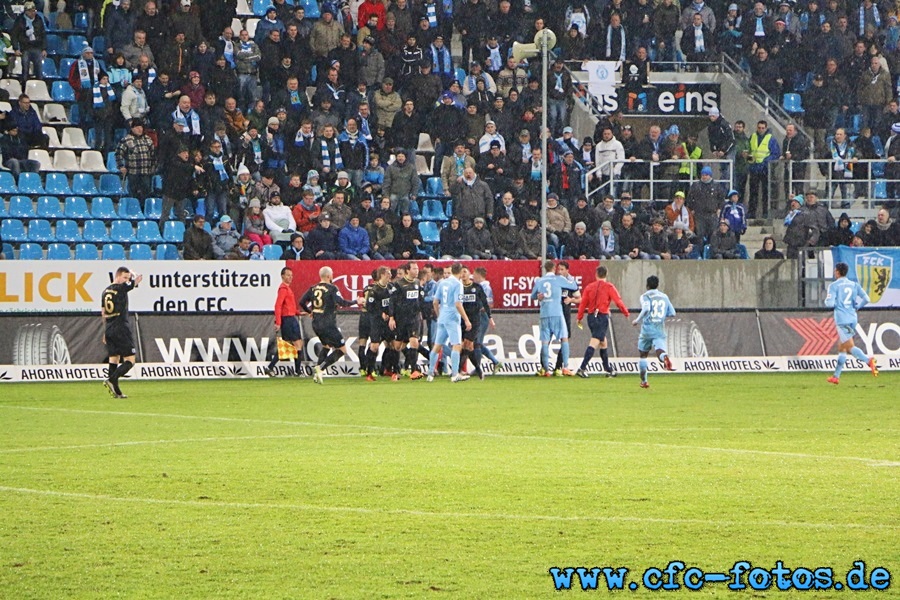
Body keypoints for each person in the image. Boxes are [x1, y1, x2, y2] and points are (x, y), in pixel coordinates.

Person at [299, 266, 361, 384]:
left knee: (326, 346)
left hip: (316, 324)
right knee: (342, 350)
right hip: (328, 324)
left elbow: (302, 302)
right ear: (328, 276)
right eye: (332, 275)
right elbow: (342, 302)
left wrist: (309, 312)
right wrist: (355, 302)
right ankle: (320, 368)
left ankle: (317, 375)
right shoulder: (332, 288)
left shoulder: (313, 288)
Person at [824, 262, 878, 384]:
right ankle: (836, 377)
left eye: (835, 270)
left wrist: (829, 300)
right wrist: (858, 306)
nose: (834, 272)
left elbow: (830, 304)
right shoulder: (854, 285)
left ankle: (868, 360)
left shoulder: (834, 286)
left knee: (849, 346)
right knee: (842, 347)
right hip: (853, 318)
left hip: (842, 320)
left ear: (837, 272)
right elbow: (867, 299)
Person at [575, 265, 629, 378]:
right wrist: (626, 312)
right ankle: (582, 368)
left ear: (596, 274)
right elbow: (618, 301)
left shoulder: (589, 287)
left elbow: (583, 303)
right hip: (601, 316)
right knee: (595, 341)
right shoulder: (609, 287)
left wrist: (579, 317)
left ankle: (608, 369)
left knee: (603, 342)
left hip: (591, 316)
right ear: (606, 274)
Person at [531, 260, 579, 377]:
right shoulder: (559, 279)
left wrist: (538, 296)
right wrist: (569, 279)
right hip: (557, 313)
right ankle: (565, 367)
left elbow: (533, 296)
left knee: (545, 342)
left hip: (544, 314)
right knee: (564, 338)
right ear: (554, 269)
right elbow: (573, 286)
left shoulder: (540, 281)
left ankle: (546, 370)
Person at [101, 267, 143, 399]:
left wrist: (105, 331)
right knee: (130, 360)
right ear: (117, 276)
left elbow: (103, 313)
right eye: (124, 278)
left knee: (114, 358)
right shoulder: (121, 288)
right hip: (120, 327)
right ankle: (112, 379)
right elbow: (137, 280)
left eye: (127, 278)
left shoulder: (105, 291)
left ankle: (116, 391)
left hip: (109, 327)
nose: (126, 281)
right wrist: (136, 277)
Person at [426, 262, 472, 382]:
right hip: (452, 318)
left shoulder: (443, 282)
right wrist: (466, 319)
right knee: (456, 345)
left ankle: (430, 374)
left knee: (437, 346)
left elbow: (435, 302)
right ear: (461, 272)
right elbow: (458, 304)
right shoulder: (458, 284)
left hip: (442, 317)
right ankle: (455, 374)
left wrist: (439, 315)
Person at [632, 275, 676, 388]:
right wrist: (661, 316)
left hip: (647, 329)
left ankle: (644, 381)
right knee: (660, 350)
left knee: (643, 355)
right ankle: (664, 357)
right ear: (657, 285)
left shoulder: (645, 296)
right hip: (659, 329)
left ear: (647, 285)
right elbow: (672, 313)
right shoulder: (664, 296)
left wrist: (637, 320)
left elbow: (646, 308)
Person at [388, 262, 426, 380]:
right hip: (401, 319)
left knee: (414, 342)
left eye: (417, 268)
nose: (417, 271)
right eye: (414, 269)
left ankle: (414, 370)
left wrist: (421, 313)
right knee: (398, 346)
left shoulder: (417, 283)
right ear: (407, 271)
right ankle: (395, 371)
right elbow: (392, 302)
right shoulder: (399, 284)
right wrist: (391, 317)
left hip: (413, 318)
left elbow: (420, 300)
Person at [264, 267, 305, 377]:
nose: (290, 278)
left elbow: (288, 306)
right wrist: (278, 321)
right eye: (288, 275)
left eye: (291, 275)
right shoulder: (283, 289)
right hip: (288, 320)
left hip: (290, 318)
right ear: (282, 276)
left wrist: (298, 312)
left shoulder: (287, 289)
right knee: (297, 344)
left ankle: (270, 367)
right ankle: (297, 371)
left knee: (288, 346)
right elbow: (278, 305)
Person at [458, 266, 491, 379]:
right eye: (461, 272)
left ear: (469, 274)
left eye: (465, 272)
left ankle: (457, 370)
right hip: (462, 319)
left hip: (475, 320)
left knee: (466, 343)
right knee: (469, 347)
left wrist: (490, 317)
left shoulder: (476, 287)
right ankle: (479, 370)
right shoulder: (458, 288)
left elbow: (485, 302)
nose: (463, 274)